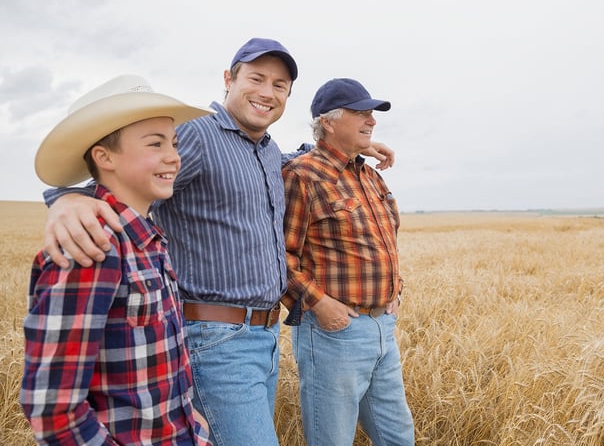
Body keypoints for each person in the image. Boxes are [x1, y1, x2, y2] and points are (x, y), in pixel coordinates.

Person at [39, 38, 394, 446]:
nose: (267, 92)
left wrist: (353, 146)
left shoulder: (265, 149)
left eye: (279, 85)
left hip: (262, 336)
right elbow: (124, 175)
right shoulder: (197, 135)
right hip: (216, 337)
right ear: (228, 79)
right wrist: (66, 199)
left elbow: (299, 161)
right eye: (256, 78)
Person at [20, 74, 213, 445]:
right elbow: (53, 409)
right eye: (155, 144)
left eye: (173, 143)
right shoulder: (92, 246)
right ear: (104, 157)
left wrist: (195, 430)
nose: (173, 156)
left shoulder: (148, 240)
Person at [281, 78, 414, 446]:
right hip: (334, 333)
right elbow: (281, 254)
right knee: (332, 440)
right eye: (360, 113)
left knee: (398, 437)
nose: (370, 121)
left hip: (382, 328)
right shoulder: (302, 175)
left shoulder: (371, 176)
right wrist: (319, 303)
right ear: (328, 121)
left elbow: (389, 238)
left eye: (371, 113)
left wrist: (395, 290)